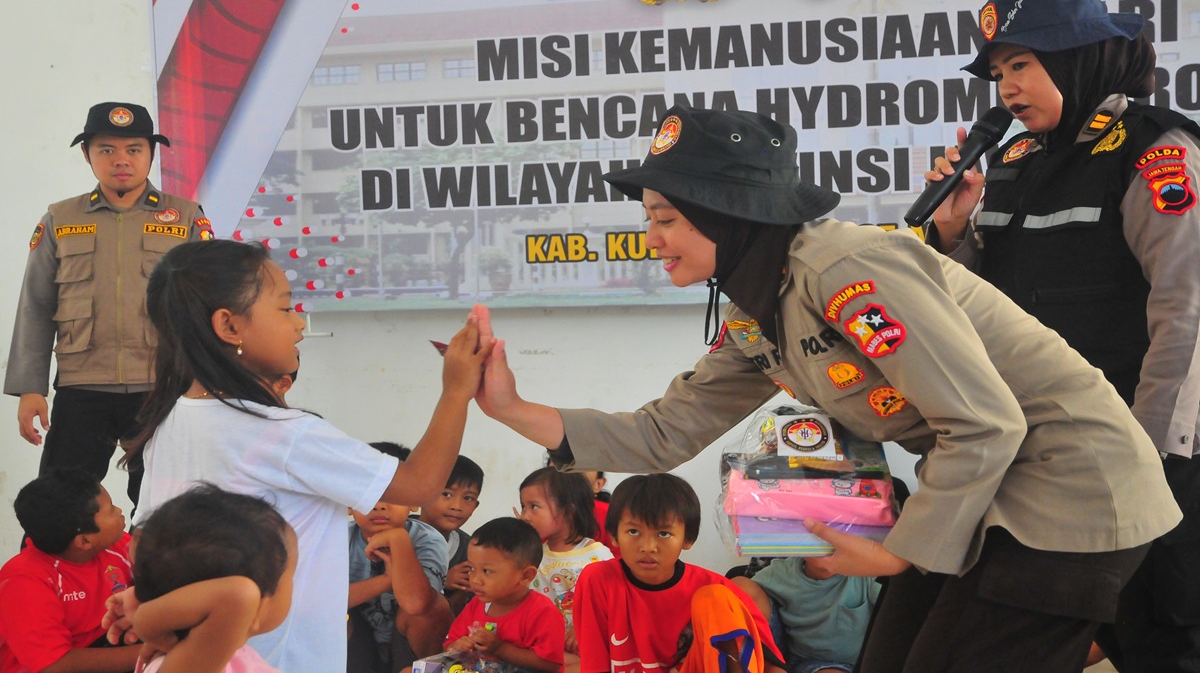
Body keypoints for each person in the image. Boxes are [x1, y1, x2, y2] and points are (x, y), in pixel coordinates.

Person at [473, 104, 1182, 672]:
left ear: (730, 213)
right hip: (984, 497)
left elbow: (985, 423)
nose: (652, 238)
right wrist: (506, 405)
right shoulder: (761, 305)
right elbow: (663, 433)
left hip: (1070, 490)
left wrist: (899, 551)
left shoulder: (843, 270)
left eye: (665, 219)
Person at [923, 0, 1200, 670]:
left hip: (1147, 453)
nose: (1007, 87)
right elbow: (988, 304)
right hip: (1051, 455)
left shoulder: (1155, 149)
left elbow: (1186, 309)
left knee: (1169, 634)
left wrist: (1155, 453)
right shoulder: (1013, 160)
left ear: (1081, 58)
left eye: (1022, 64)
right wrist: (953, 228)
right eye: (997, 72)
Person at [104, 239, 492, 673]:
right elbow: (420, 485)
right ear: (229, 327)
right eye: (286, 309)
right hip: (282, 659)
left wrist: (151, 603)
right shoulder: (284, 434)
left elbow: (149, 543)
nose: (299, 326)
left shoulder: (169, 423)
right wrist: (457, 390)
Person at [5, 101, 212, 505]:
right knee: (62, 504)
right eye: (106, 149)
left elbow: (208, 307)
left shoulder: (185, 217)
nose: (121, 160)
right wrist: (31, 389)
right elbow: (35, 304)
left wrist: (210, 382)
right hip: (82, 386)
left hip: (162, 386)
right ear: (87, 154)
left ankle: (158, 570)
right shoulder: (59, 220)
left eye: (134, 149)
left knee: (167, 503)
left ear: (151, 153)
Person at [572, 473, 784, 673]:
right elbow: (594, 664)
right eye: (633, 531)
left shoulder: (716, 590)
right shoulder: (598, 580)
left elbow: (771, 664)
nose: (648, 546)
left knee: (715, 598)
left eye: (663, 533)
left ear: (688, 539)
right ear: (614, 536)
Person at [129, 484, 296, 673]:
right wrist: (145, 622)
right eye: (289, 575)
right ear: (258, 606)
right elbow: (238, 595)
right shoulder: (195, 665)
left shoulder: (206, 655)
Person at [0, 468, 138, 672]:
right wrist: (152, 652)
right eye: (110, 509)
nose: (119, 511)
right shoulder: (24, 581)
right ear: (84, 541)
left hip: (110, 641)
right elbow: (55, 665)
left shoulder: (114, 545)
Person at [349, 442, 453, 673]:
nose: (380, 505)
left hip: (406, 648)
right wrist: (387, 579)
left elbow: (419, 604)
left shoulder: (428, 539)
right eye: (369, 492)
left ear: (415, 500)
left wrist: (399, 540)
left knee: (435, 607)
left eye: (392, 493)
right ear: (349, 501)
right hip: (356, 647)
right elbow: (329, 602)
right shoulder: (337, 537)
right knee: (333, 614)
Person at [518, 467, 613, 669]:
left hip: (584, 646)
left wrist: (582, 628)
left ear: (568, 511)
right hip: (541, 645)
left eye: (533, 507)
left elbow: (612, 605)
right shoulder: (532, 555)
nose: (525, 515)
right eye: (523, 507)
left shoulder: (598, 555)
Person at [441, 517, 564, 673]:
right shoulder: (476, 605)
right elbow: (448, 646)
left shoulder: (542, 611)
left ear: (526, 576)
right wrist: (457, 648)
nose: (476, 580)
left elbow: (550, 664)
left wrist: (500, 648)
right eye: (471, 568)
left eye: (487, 571)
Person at [732, 558, 880, 673]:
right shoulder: (780, 572)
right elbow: (741, 597)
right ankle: (765, 664)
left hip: (838, 664)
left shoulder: (866, 575)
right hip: (786, 653)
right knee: (738, 587)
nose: (824, 548)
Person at [415, 454, 485, 616]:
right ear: (422, 493)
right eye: (446, 494)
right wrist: (441, 581)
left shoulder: (471, 550)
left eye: (468, 498)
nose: (457, 506)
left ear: (475, 506)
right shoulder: (401, 535)